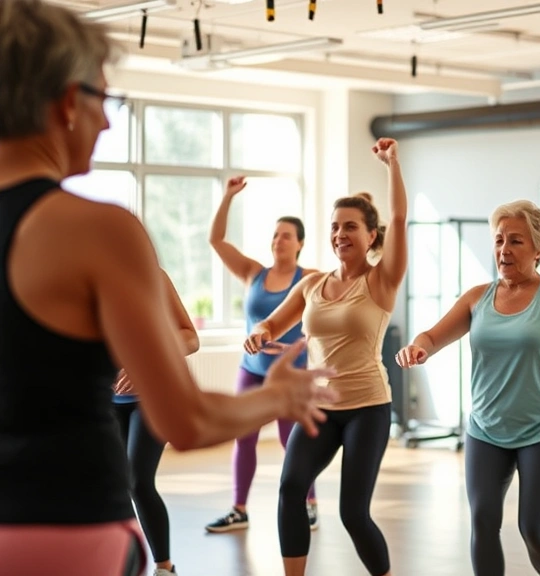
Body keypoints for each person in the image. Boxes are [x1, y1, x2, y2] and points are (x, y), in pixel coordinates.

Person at [0, 2, 333, 574]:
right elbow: (187, 421)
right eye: (103, 100)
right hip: (68, 533)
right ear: (62, 102)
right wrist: (280, 396)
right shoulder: (98, 230)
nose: (107, 122)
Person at [244, 138, 407, 576]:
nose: (340, 234)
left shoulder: (381, 281)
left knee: (353, 513)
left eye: (351, 226)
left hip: (367, 407)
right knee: (290, 488)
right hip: (319, 406)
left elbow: (398, 216)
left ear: (371, 235)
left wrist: (392, 165)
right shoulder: (311, 284)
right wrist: (259, 334)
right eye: (335, 227)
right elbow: (272, 324)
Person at [396, 200, 540, 576]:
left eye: (516, 241)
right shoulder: (476, 298)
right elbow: (432, 336)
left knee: (533, 527)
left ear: (538, 250)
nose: (504, 249)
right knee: (483, 522)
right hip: (486, 429)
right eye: (499, 240)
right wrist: (419, 347)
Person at [206, 176, 319, 534]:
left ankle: (310, 503)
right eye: (274, 234)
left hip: (289, 375)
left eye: (286, 235)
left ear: (300, 243)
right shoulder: (254, 272)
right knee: (245, 436)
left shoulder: (311, 277)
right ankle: (239, 509)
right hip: (252, 370)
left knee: (292, 441)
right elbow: (217, 241)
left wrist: (300, 345)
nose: (278, 240)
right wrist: (227, 197)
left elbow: (325, 322)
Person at [113, 270, 201, 576]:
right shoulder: (80, 282)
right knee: (113, 486)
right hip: (105, 403)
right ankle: (123, 562)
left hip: (153, 398)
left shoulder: (152, 277)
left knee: (137, 479)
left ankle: (164, 567)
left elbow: (190, 337)